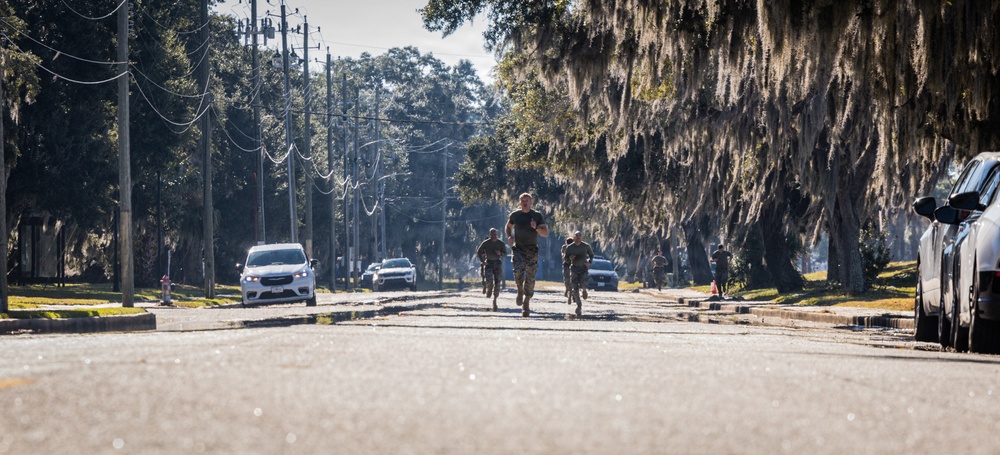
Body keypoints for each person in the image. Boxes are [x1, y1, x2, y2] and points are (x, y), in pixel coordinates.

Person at [505, 192, 549, 317]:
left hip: (532, 249)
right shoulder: (515, 215)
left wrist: (535, 228)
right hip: (518, 248)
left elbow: (545, 233)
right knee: (518, 271)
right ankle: (520, 289)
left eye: (527, 200)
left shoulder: (536, 215)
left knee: (530, 276)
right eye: (523, 201)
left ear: (531, 202)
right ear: (520, 203)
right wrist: (509, 236)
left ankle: (526, 301)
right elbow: (508, 227)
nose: (525, 202)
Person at [476, 228, 507, 311]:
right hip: (489, 263)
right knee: (489, 280)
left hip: (497, 263)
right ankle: (488, 288)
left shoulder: (501, 244)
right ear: (490, 234)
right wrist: (483, 261)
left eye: (495, 234)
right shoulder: (486, 243)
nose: (493, 235)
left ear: (497, 234)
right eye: (492, 234)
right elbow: (479, 251)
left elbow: (505, 255)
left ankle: (495, 301)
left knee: (497, 283)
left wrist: (500, 253)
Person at [564, 231, 594, 317]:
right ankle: (579, 305)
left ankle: (584, 290)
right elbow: (565, 259)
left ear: (581, 237)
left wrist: (589, 262)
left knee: (583, 284)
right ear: (573, 237)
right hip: (574, 269)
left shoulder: (586, 246)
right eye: (576, 235)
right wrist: (570, 258)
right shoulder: (570, 247)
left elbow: (591, 255)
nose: (578, 237)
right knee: (575, 288)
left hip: (583, 269)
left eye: (579, 235)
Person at [561, 238, 574, 302]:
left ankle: (572, 294)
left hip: (573, 265)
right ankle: (567, 290)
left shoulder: (575, 247)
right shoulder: (564, 247)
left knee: (573, 280)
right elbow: (563, 255)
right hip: (566, 265)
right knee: (566, 279)